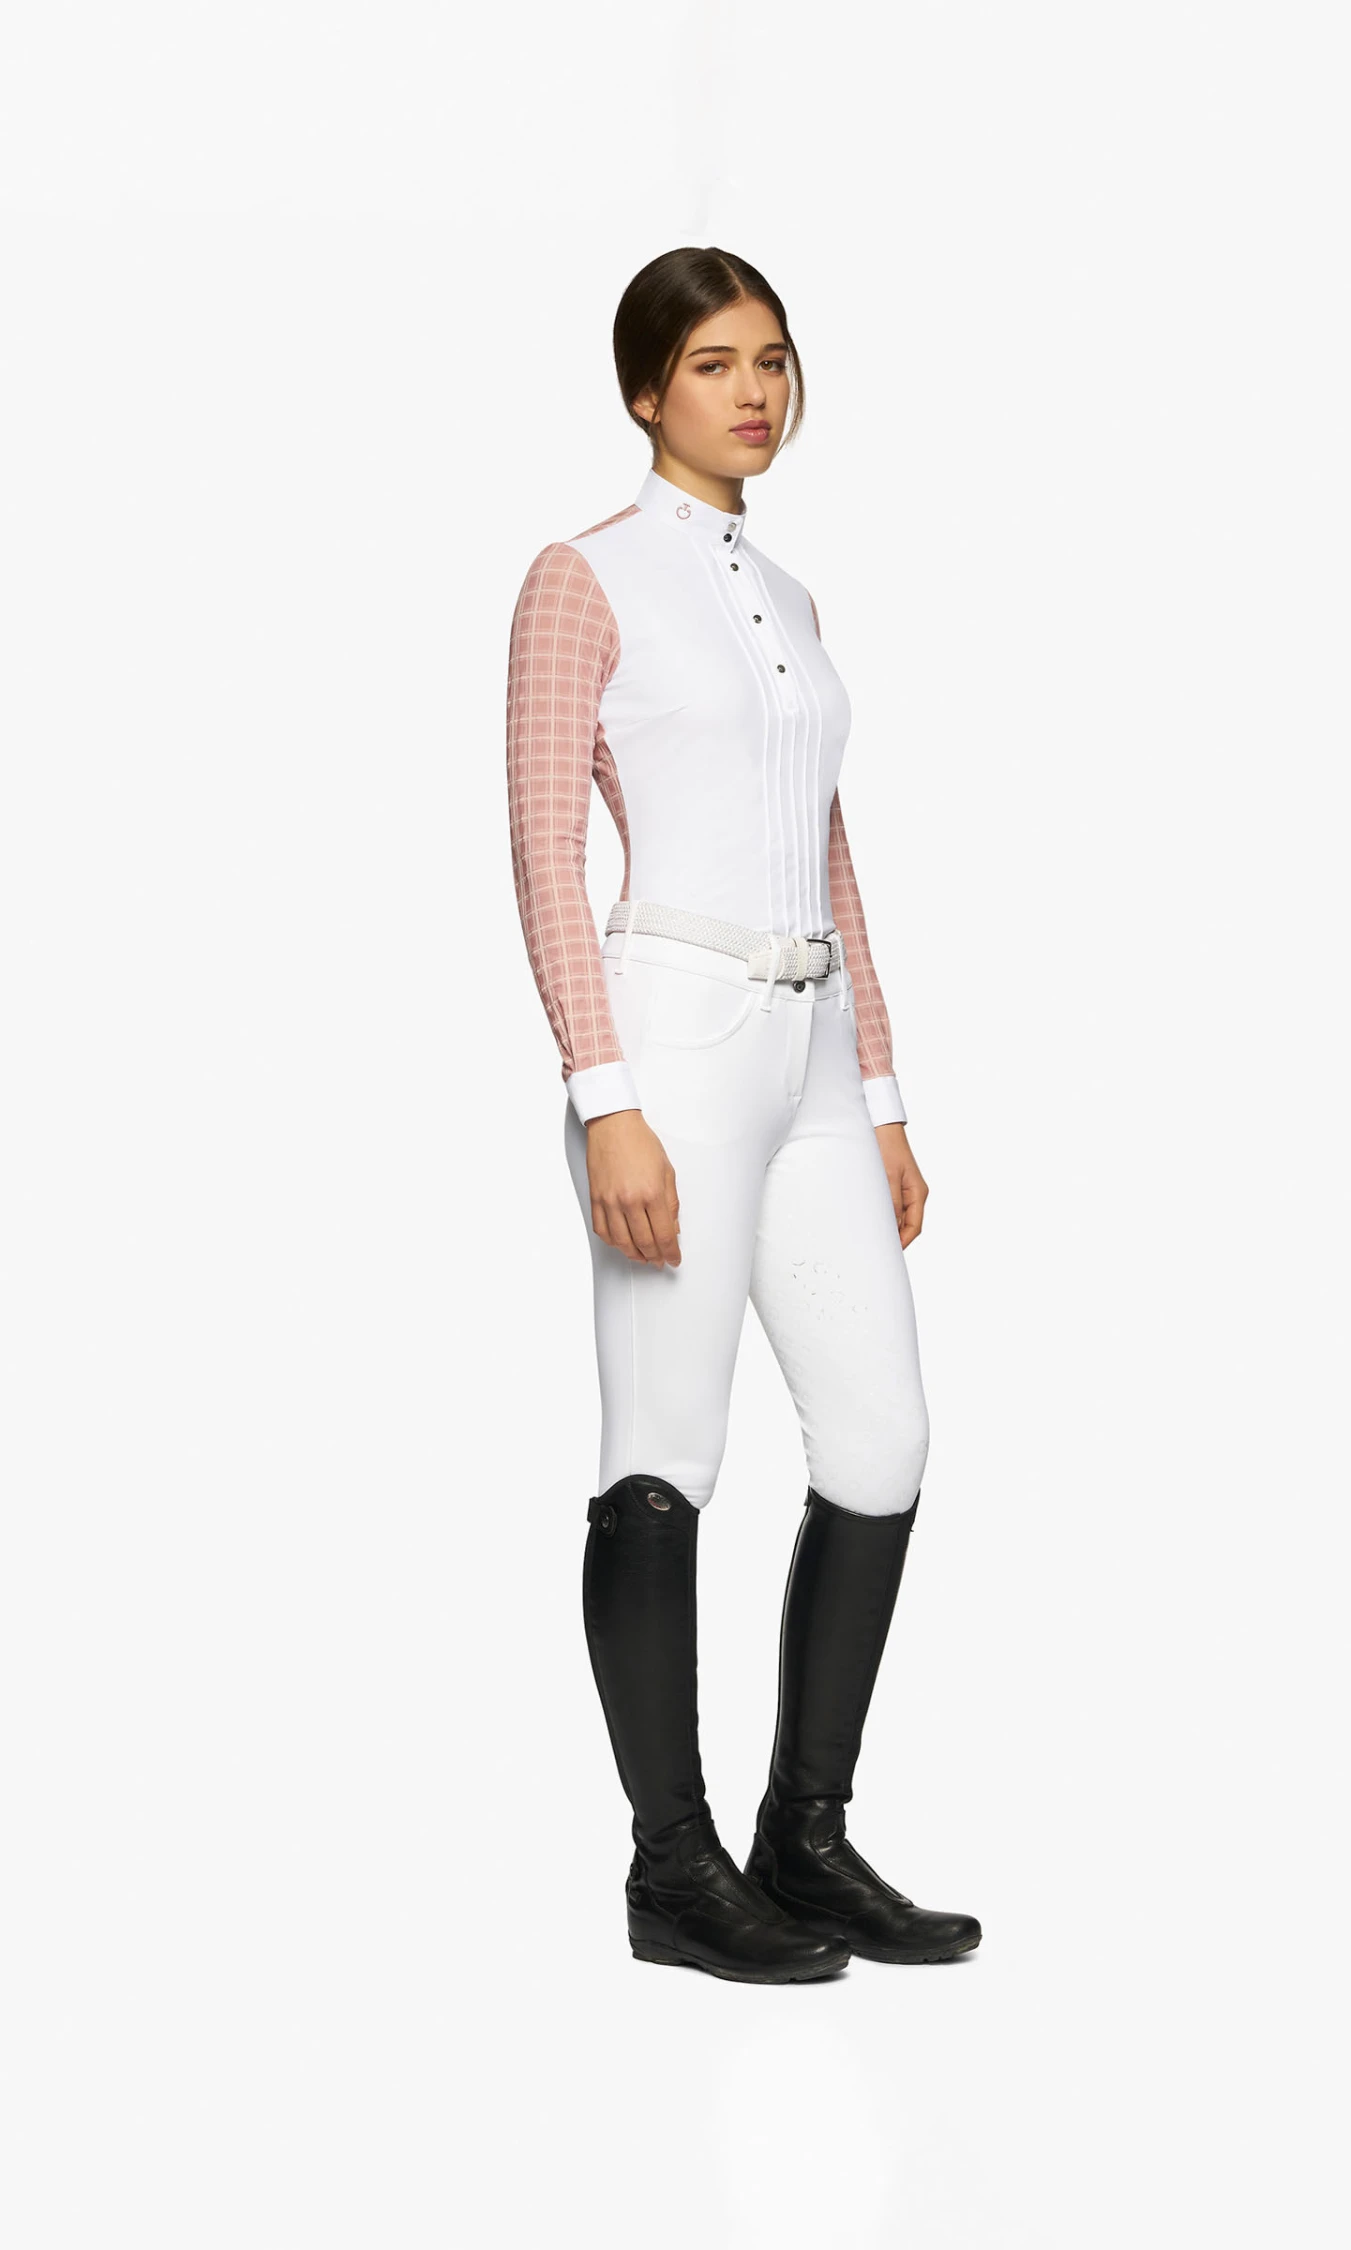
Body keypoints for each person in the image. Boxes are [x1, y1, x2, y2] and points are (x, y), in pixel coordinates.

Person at [505, 246, 980, 1982]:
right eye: (713, 364)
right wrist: (604, 1097)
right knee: (665, 1452)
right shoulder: (582, 580)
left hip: (813, 1041)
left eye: (771, 358)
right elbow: (543, 845)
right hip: (674, 1036)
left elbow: (830, 850)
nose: (753, 390)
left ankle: (807, 1837)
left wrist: (884, 1093)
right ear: (646, 392)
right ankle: (673, 1868)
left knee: (882, 1440)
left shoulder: (790, 594)